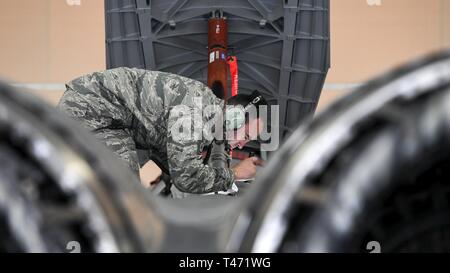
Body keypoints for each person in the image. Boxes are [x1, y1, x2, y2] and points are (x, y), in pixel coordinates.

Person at [58, 67, 268, 197]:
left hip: (108, 118)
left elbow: (169, 160)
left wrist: (209, 171)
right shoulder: (196, 110)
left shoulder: (204, 114)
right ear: (235, 117)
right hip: (93, 110)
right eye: (246, 135)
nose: (242, 144)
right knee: (126, 195)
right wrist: (235, 174)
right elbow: (186, 177)